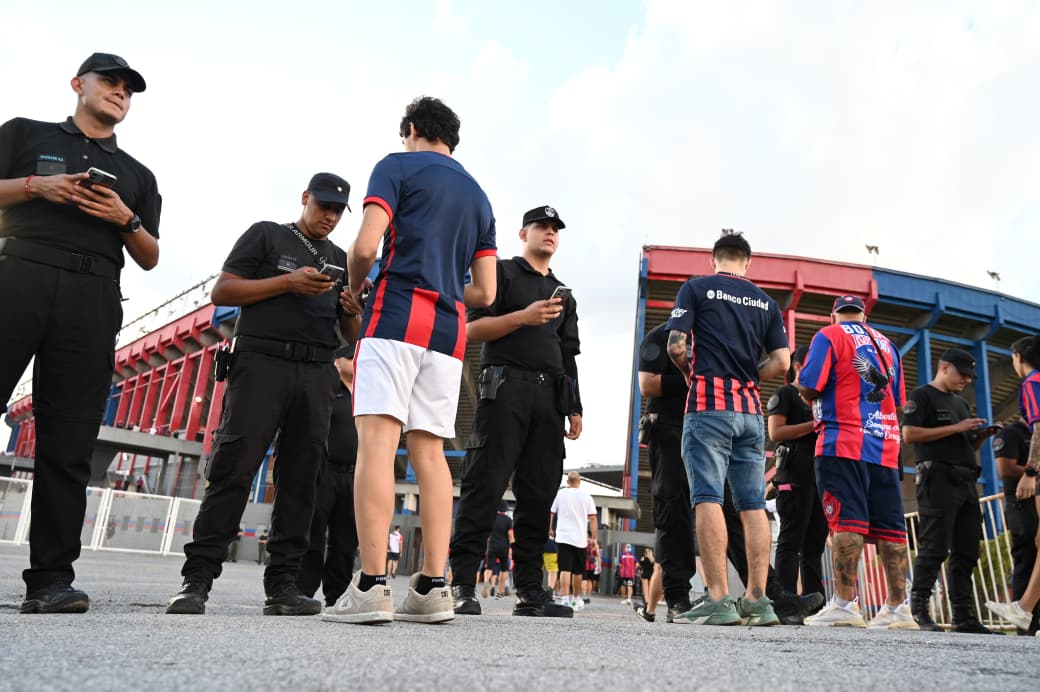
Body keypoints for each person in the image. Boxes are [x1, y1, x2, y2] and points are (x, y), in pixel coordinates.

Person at [325, 96, 497, 625]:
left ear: (412, 128)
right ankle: (432, 586)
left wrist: (358, 289)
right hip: (448, 334)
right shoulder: (479, 197)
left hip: (396, 316)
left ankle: (371, 584)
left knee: (378, 444)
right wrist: (445, 287)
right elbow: (486, 292)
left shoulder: (396, 166)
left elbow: (363, 248)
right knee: (431, 452)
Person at [2, 53, 161, 615]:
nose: (120, 92)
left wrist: (125, 218)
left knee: (69, 442)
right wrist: (35, 186)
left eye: (128, 89)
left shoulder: (138, 176)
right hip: (18, 275)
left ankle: (50, 580)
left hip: (93, 296)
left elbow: (150, 255)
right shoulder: (25, 133)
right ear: (78, 84)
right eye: (110, 82)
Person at [165, 172, 361, 616]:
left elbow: (352, 334)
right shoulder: (268, 235)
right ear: (305, 198)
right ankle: (196, 580)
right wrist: (287, 283)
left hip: (316, 371)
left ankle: (283, 586)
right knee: (234, 467)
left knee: (302, 480)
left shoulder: (341, 260)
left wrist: (352, 311)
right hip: (261, 364)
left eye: (337, 211)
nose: (329, 216)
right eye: (323, 206)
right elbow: (223, 290)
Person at [448, 204, 581, 619]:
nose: (550, 232)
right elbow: (472, 329)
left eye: (555, 228)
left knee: (539, 494)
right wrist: (523, 317)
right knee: (484, 485)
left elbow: (568, 355)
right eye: (542, 226)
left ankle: (529, 591)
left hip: (549, 398)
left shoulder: (563, 293)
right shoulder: (501, 273)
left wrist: (574, 406)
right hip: (504, 389)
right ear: (523, 233)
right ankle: (461, 584)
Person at [665, 231, 789, 626]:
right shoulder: (766, 302)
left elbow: (675, 345)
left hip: (708, 407)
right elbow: (782, 362)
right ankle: (758, 599)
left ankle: (718, 597)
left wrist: (689, 372)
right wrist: (749, 377)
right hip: (750, 412)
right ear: (747, 262)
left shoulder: (696, 288)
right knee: (753, 505)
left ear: (714, 259)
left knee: (708, 498)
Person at [798, 296, 916, 629]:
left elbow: (809, 386)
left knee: (846, 522)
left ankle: (845, 603)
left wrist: (802, 390)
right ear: (864, 315)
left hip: (844, 441)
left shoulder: (830, 335)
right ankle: (898, 608)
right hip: (885, 445)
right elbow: (899, 402)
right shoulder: (889, 346)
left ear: (832, 315)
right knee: (892, 529)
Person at [903, 348, 1000, 634]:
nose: (967, 380)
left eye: (971, 376)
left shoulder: (960, 403)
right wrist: (957, 428)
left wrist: (978, 437)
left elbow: (964, 443)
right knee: (934, 546)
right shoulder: (922, 395)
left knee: (967, 549)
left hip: (966, 481)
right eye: (963, 374)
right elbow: (909, 434)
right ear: (944, 367)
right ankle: (919, 610)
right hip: (937, 479)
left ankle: (963, 615)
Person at [636, 322, 697, 620]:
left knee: (727, 508)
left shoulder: (713, 331)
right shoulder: (660, 336)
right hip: (670, 428)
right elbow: (647, 385)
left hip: (708, 424)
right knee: (672, 510)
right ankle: (677, 599)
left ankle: (762, 592)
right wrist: (694, 380)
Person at [297, 347, 360, 607]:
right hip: (325, 471)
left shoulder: (365, 394)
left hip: (354, 475)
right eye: (351, 357)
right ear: (338, 362)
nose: (356, 361)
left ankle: (337, 595)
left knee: (346, 540)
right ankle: (303, 590)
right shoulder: (329, 390)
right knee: (313, 533)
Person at [986, 335, 1040, 631]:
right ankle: (1024, 608)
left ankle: (1024, 608)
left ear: (1019, 356)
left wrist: (1031, 471)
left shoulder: (1033, 382)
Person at [766, 346, 828, 601]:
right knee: (791, 540)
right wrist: (814, 425)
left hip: (820, 475)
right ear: (799, 366)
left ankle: (815, 601)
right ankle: (785, 598)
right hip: (794, 473)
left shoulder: (822, 399)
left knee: (815, 543)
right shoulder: (786, 394)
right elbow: (775, 432)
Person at [993, 419, 1040, 634]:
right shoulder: (1012, 433)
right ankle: (1027, 627)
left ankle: (1027, 614)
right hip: (1021, 503)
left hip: (1034, 499)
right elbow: (1005, 468)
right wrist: (1033, 472)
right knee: (1027, 558)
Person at [550, 472, 598, 611]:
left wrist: (550, 529)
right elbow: (593, 518)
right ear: (579, 481)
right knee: (578, 571)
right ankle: (576, 600)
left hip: (563, 536)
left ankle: (565, 599)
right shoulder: (586, 496)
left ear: (567, 481)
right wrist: (594, 538)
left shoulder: (560, 494)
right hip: (580, 539)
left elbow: (551, 512)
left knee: (565, 569)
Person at [482, 503, 514, 598]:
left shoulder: (491, 519)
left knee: (489, 567)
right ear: (505, 510)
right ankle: (500, 591)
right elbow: (510, 536)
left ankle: (486, 581)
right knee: (504, 569)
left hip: (492, 546)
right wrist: (512, 548)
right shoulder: (508, 520)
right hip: (504, 547)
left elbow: (487, 534)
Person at [582, 537, 600, 603]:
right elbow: (598, 555)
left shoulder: (583, 542)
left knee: (584, 580)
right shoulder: (593, 544)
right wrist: (599, 566)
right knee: (589, 580)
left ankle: (584, 595)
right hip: (592, 566)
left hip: (584, 565)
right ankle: (588, 596)